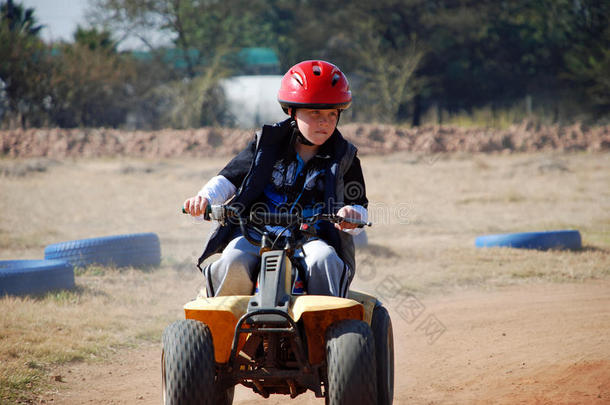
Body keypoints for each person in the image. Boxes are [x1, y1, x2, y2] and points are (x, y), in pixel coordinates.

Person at [183, 60, 368, 298]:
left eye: (332, 113)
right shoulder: (266, 145)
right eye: (315, 112)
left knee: (325, 259)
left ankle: (327, 329)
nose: (325, 121)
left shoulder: (345, 156)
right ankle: (225, 325)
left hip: (311, 237)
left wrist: (352, 215)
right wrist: (204, 198)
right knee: (232, 259)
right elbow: (229, 178)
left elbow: (359, 205)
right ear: (292, 111)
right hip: (254, 233)